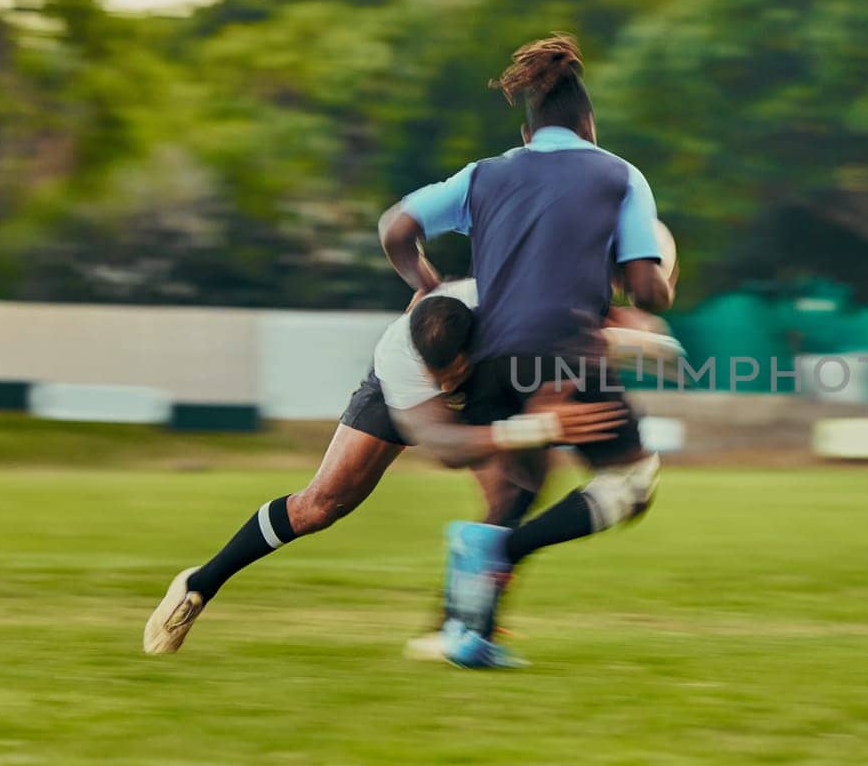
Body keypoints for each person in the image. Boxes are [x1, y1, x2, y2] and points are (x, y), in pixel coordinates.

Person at [141, 278, 668, 657]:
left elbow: (579, 308)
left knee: (515, 491)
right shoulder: (407, 366)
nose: (445, 384)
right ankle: (199, 583)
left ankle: (461, 628)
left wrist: (630, 327)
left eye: (452, 372)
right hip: (407, 403)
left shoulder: (508, 315)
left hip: (492, 379)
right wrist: (536, 428)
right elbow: (446, 446)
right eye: (437, 374)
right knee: (321, 505)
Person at [375, 33, 675, 667]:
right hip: (565, 353)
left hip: (492, 358)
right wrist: (662, 272)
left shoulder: (487, 173)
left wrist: (426, 285)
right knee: (634, 480)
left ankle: (464, 630)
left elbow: (395, 228)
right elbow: (648, 290)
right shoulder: (618, 173)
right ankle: (500, 555)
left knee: (519, 485)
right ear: (589, 123)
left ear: (528, 127)